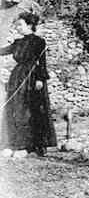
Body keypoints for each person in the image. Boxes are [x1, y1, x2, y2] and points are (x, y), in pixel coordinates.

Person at [0, 12, 57, 156]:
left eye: (20, 25)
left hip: (31, 79)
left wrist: (40, 79)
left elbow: (42, 62)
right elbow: (3, 51)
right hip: (17, 77)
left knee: (28, 112)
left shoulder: (39, 41)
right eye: (16, 25)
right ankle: (13, 144)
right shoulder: (18, 42)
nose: (17, 28)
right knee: (14, 110)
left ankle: (28, 146)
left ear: (30, 25)